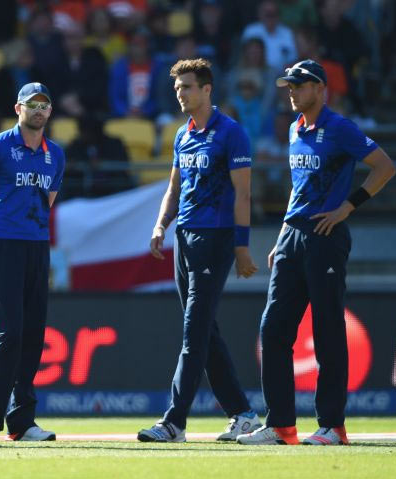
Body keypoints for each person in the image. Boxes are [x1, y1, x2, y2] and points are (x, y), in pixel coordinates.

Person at [236, 60, 396, 446]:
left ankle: (332, 426)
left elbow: (384, 167)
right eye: (289, 85)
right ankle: (280, 426)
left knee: (326, 331)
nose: (291, 91)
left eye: (299, 85)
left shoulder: (339, 128)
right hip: (293, 235)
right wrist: (282, 235)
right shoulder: (294, 129)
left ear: (320, 88)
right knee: (272, 330)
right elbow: (300, 188)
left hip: (326, 235)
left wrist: (348, 207)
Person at [139, 58, 261, 443]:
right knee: (205, 331)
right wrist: (161, 224)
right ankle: (242, 414)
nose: (181, 94)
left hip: (217, 238)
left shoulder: (231, 134)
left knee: (194, 332)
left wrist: (242, 246)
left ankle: (174, 422)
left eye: (187, 87)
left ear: (207, 89)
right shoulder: (182, 135)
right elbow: (174, 189)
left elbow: (243, 193)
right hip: (185, 238)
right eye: (177, 89)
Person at [0, 82, 65, 442]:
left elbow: (46, 200)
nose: (38, 110)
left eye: (44, 104)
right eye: (31, 104)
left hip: (38, 247)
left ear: (50, 111)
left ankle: (23, 422)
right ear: (18, 108)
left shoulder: (56, 154)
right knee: (9, 332)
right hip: (4, 247)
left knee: (33, 335)